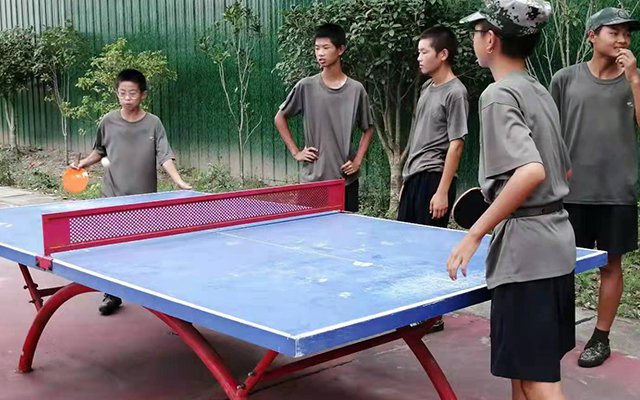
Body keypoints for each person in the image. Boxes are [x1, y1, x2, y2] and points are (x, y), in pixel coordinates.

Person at [449, 1, 575, 399]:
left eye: (476, 32)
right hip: (556, 245)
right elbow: (564, 171)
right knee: (524, 374)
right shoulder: (538, 90)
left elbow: (531, 171)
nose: (473, 39)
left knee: (537, 380)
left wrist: (475, 233)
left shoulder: (497, 94)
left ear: (491, 39)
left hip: (526, 257)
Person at [549, 7, 640, 368]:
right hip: (570, 192)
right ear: (591, 36)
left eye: (626, 34)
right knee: (561, 264)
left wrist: (634, 79)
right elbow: (548, 131)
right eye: (613, 32)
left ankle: (600, 338)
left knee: (611, 265)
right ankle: (556, 331)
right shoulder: (565, 79)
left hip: (617, 191)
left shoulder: (634, 79)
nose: (622, 40)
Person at [72, 68, 192, 316]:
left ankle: (152, 294)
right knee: (112, 248)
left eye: (132, 93)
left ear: (143, 95)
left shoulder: (153, 123)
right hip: (112, 196)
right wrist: (83, 164)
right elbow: (100, 151)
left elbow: (165, 155)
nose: (127, 98)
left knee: (144, 249)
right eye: (122, 93)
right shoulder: (108, 121)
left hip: (143, 200)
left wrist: (178, 181)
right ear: (117, 93)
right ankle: (111, 294)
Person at [398, 25, 469, 333]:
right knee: (408, 246)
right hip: (415, 177)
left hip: (434, 178)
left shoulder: (456, 92)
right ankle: (415, 307)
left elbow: (457, 143)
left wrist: (442, 191)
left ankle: (433, 315)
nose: (419, 57)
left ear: (443, 54)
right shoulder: (428, 88)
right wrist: (406, 177)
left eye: (424, 52)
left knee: (429, 249)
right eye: (418, 52)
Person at [274, 23, 374, 212]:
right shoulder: (306, 86)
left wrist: (357, 161)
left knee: (347, 230)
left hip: (345, 181)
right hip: (312, 182)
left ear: (340, 50)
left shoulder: (356, 90)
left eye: (326, 48)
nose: (320, 53)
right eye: (317, 48)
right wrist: (296, 152)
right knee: (310, 230)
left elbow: (368, 128)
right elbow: (280, 118)